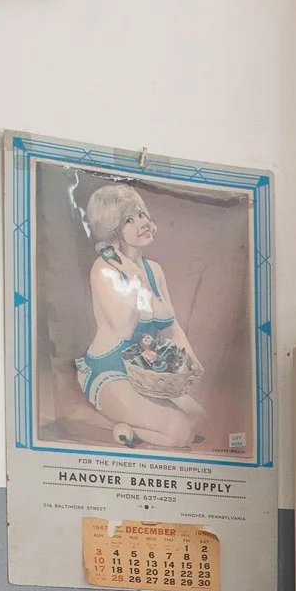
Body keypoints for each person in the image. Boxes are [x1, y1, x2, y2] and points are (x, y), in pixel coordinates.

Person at [69, 180, 209, 452]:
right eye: (129, 220)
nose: (142, 223)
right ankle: (126, 428)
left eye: (141, 214)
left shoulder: (154, 270)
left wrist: (193, 365)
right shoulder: (103, 270)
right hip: (108, 373)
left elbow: (171, 327)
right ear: (113, 230)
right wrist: (133, 277)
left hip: (147, 373)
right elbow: (123, 328)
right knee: (180, 431)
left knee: (200, 419)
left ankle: (131, 430)